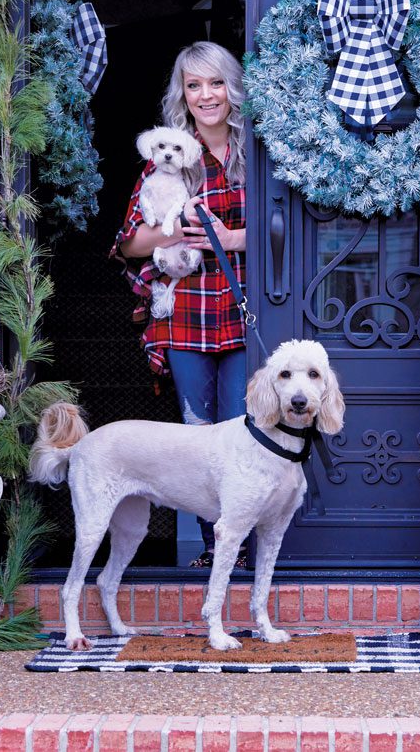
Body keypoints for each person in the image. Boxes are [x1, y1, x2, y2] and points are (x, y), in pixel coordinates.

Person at [114, 41, 248, 569]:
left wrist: (230, 240)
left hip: (245, 306)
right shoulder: (169, 154)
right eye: (194, 85)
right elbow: (127, 243)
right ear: (182, 95)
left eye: (215, 83)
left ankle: (242, 547)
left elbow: (289, 227)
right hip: (188, 311)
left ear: (231, 87)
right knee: (197, 431)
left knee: (243, 427)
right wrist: (170, 238)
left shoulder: (254, 149)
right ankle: (210, 549)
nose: (206, 95)